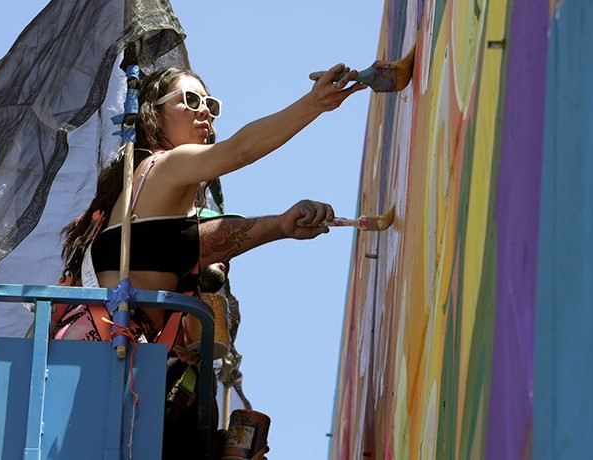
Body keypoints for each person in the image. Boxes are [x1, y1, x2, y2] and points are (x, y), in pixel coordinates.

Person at [52, 64, 366, 457]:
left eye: (210, 104)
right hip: (105, 361)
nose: (205, 111)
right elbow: (239, 150)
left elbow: (215, 238)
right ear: (154, 114)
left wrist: (283, 225)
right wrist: (314, 103)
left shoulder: (158, 208)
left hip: (114, 366)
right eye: (190, 100)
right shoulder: (163, 165)